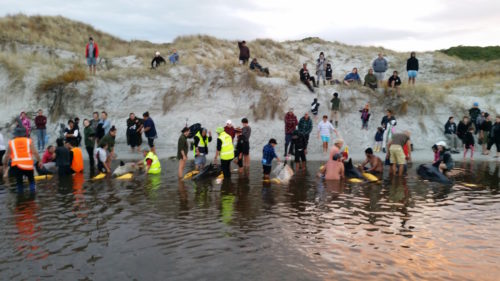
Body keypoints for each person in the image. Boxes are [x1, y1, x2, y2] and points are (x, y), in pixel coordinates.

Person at [2, 127, 42, 193]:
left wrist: (5, 164)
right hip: (28, 165)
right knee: (31, 181)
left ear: (15, 135)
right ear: (24, 134)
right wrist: (40, 161)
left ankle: (20, 198)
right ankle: (32, 196)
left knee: (19, 183)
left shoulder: (11, 142)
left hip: (17, 166)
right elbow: (35, 152)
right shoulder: (28, 141)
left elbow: (7, 155)